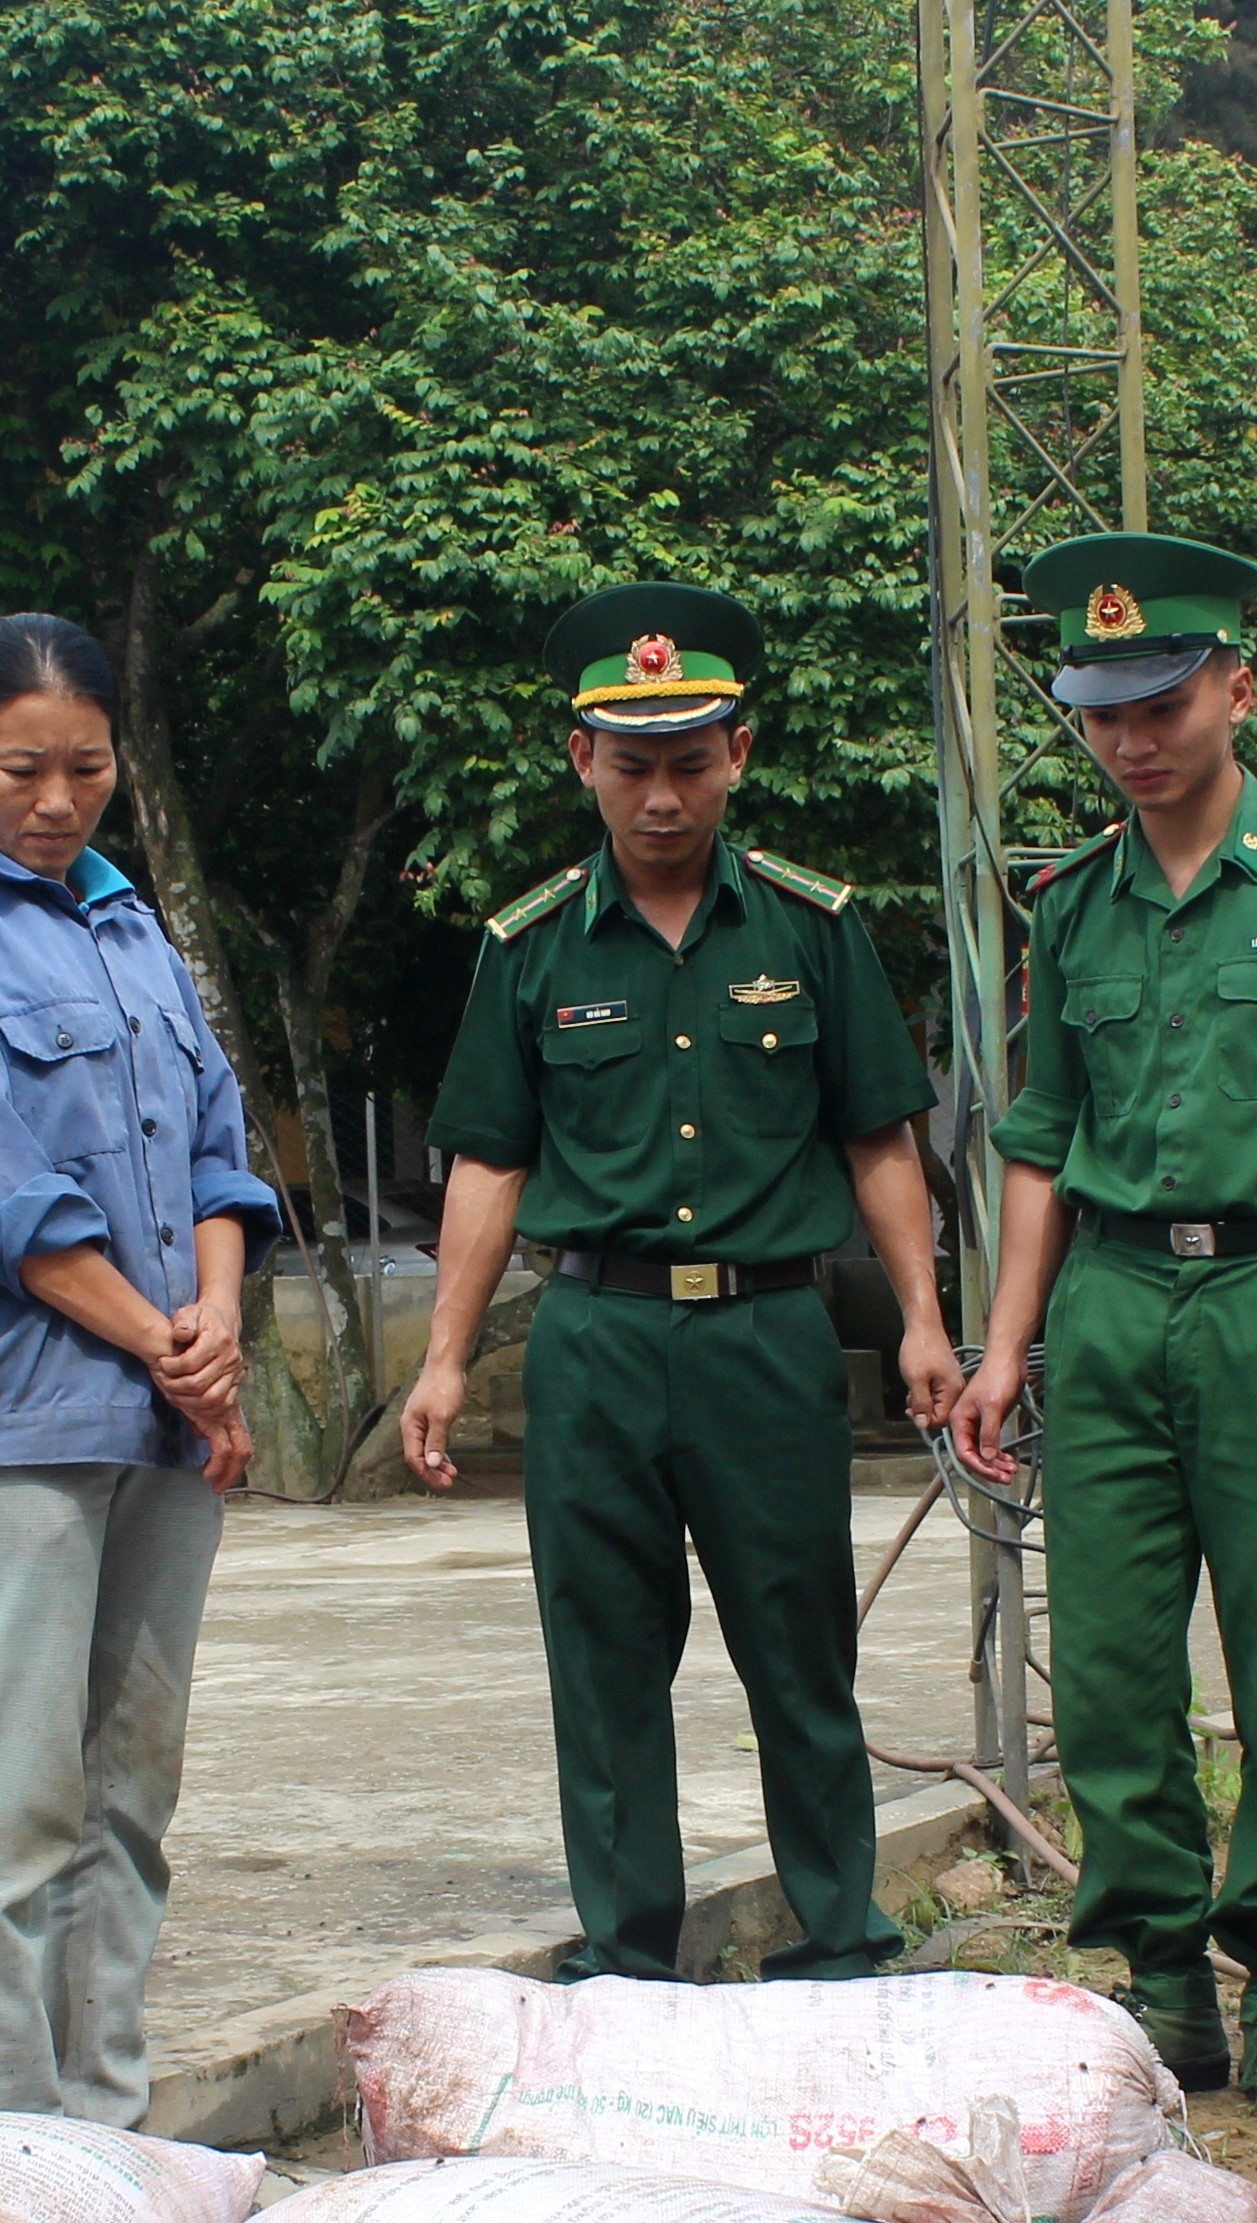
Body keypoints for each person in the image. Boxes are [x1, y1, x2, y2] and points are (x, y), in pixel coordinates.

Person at [399, 585, 960, 1981]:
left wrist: (924, 1327)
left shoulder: (807, 927)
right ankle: (628, 1945)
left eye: (690, 763)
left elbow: (878, 1137)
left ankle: (840, 1930)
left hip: (768, 1335)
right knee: (602, 1661)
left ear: (739, 757)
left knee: (797, 1645)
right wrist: (444, 1358)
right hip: (594, 1338)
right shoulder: (528, 949)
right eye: (634, 764)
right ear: (582, 760)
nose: (662, 796)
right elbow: (486, 1165)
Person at [945, 533, 1257, 2134]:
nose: (1130, 740)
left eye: (1159, 703)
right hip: (1110, 1304)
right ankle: (1162, 1985)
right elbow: (1040, 1141)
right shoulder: (1071, 902)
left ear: (1234, 685)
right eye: (1098, 714)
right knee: (1108, 1671)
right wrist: (1004, 1344)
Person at [0, 612, 280, 2122]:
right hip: (18, 1430)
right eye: (21, 768)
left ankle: (108, 2139)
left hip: (164, 1427)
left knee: (128, 1801)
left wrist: (212, 1318)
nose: (56, 800)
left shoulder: (132, 929)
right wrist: (167, 1343)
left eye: (87, 768)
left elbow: (220, 1147)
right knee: (16, 1809)